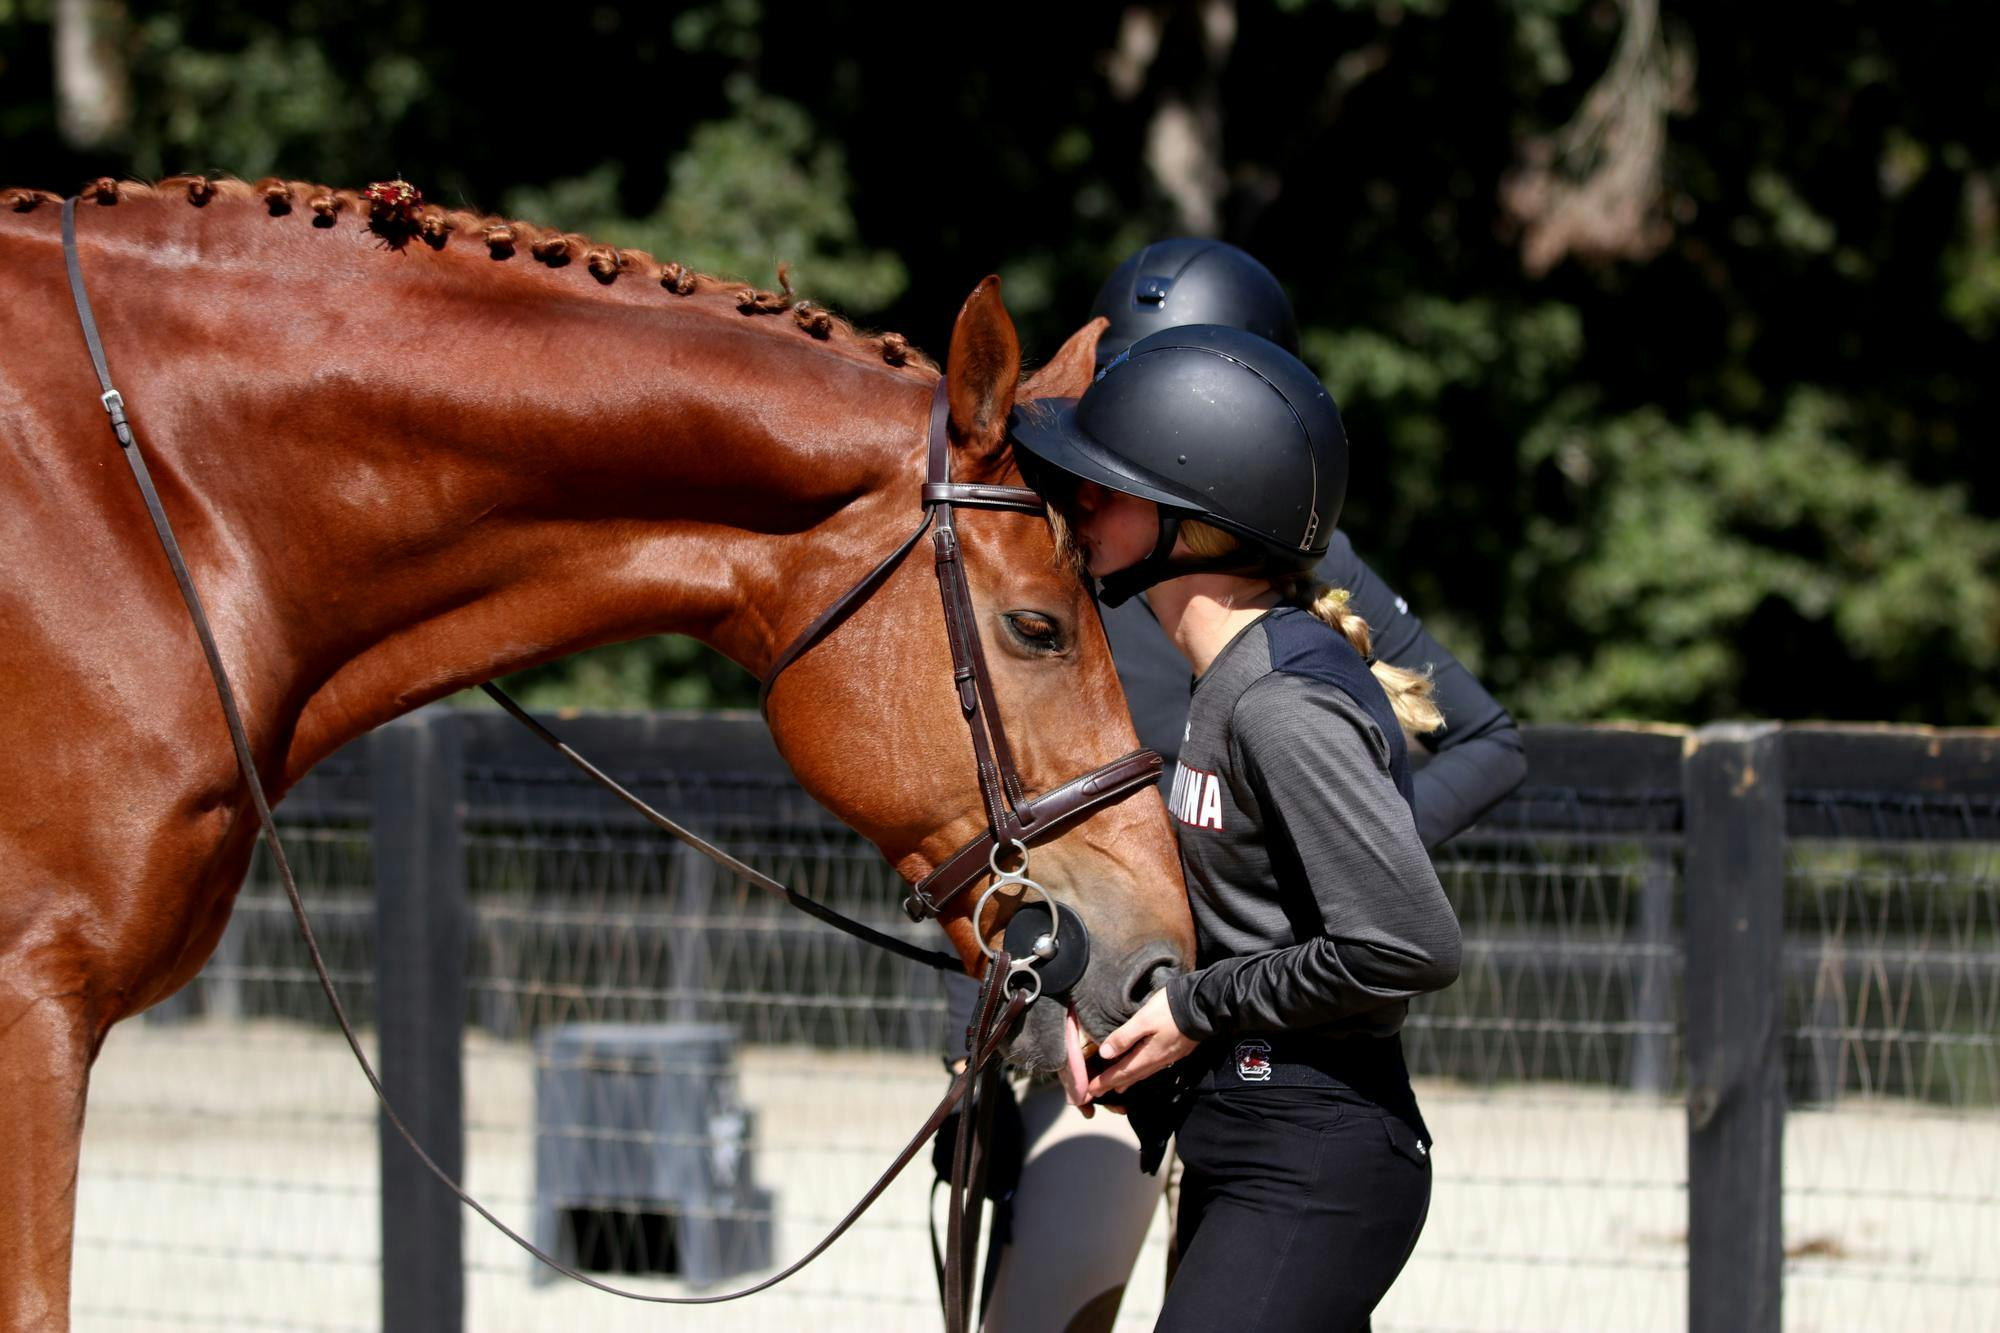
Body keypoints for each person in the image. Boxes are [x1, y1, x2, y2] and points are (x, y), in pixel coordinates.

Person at [934, 241, 1523, 1333]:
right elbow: (1000, 811)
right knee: (1046, 1302)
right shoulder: (1063, 571)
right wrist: (1055, 986)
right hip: (1115, 1021)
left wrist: (1322, 876)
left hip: (1258, 1050)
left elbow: (1469, 769)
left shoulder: (1280, 615)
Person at [1013, 324, 1460, 1330]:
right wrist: (1124, 1017)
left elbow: (1404, 945)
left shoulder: (1279, 701)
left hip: (1314, 1158)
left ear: (1190, 518)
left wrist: (1192, 1009)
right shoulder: (1226, 679)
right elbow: (1255, 926)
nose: (1079, 504)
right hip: (1250, 1133)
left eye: (1105, 486)